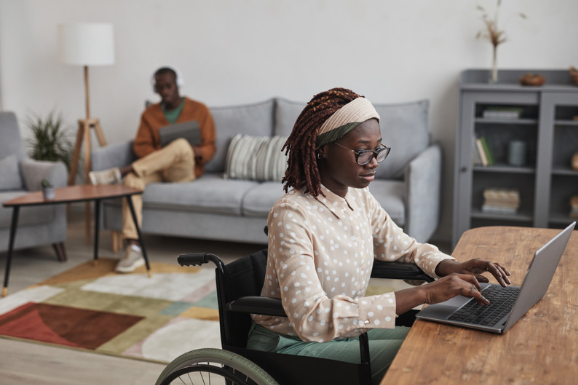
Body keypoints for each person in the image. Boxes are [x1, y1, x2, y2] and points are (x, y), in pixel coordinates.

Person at [247, 87, 511, 385]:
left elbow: (404, 248)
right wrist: (423, 293)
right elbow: (312, 318)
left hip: (347, 331)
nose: (374, 161)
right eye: (362, 151)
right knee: (431, 352)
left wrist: (448, 266)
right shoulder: (292, 213)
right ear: (323, 148)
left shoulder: (359, 197)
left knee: (441, 334)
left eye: (378, 149)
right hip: (292, 344)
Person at [89, 67, 216, 273]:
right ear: (155, 89)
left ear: (177, 85)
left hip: (184, 169)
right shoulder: (149, 114)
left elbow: (211, 147)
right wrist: (164, 153)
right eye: (160, 87)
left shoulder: (200, 110)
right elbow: (140, 146)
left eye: (169, 86)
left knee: (181, 144)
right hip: (157, 168)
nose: (165, 91)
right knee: (131, 181)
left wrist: (190, 150)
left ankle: (120, 171)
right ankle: (133, 247)